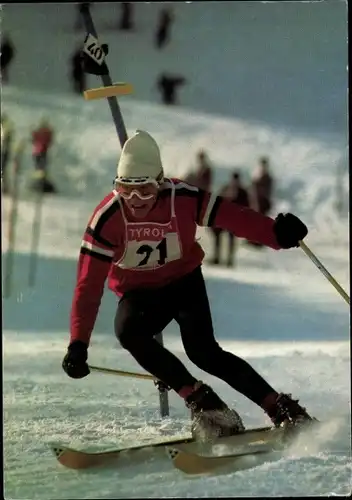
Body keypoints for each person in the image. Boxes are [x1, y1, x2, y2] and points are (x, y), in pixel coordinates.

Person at [62, 130, 313, 439]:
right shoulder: (106, 219)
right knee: (128, 330)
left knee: (203, 352)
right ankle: (208, 406)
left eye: (145, 190)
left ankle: (282, 409)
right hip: (140, 294)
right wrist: (78, 343)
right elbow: (88, 285)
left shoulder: (182, 198)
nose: (136, 200)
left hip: (183, 283)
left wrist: (276, 234)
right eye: (126, 190)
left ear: (161, 182)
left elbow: (234, 217)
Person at [210, 171, 249, 266]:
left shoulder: (242, 192)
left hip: (235, 219)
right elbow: (217, 200)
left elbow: (247, 207)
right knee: (217, 235)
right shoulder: (226, 188)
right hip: (223, 218)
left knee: (231, 238)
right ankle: (217, 257)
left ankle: (229, 259)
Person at [30, 119, 57, 193]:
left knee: (39, 167)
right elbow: (50, 141)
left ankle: (39, 182)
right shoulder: (47, 132)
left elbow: (33, 139)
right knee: (42, 167)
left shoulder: (39, 132)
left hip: (36, 152)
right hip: (42, 152)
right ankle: (40, 182)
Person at [1, 113, 14, 194]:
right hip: (5, 151)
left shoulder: (5, 129)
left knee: (3, 169)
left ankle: (5, 188)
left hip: (4, 151)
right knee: (3, 170)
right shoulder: (7, 128)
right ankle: (5, 188)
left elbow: (6, 140)